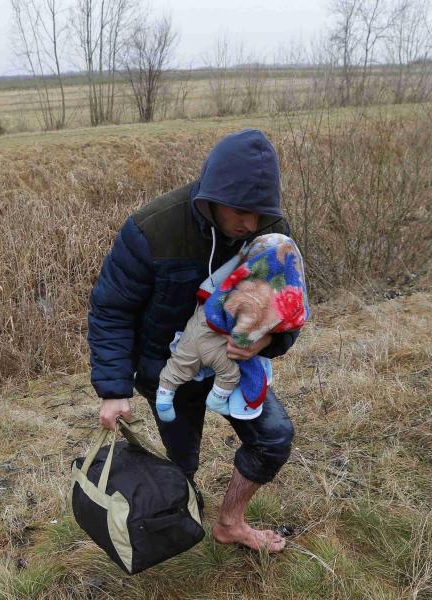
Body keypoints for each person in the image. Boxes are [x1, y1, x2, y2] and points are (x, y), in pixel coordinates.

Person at [88, 129, 299, 552]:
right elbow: (111, 308)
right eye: (241, 211)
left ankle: (230, 524)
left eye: (260, 213)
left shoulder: (271, 233)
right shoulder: (153, 229)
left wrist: (267, 343)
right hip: (168, 369)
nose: (251, 225)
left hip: (233, 366)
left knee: (274, 438)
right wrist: (114, 390)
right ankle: (179, 518)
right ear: (211, 196)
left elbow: (286, 307)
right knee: (183, 463)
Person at [156, 233, 309, 423]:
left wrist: (269, 341)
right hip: (204, 345)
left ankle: (164, 398)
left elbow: (285, 327)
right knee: (230, 374)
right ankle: (216, 400)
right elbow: (243, 339)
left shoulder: (266, 236)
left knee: (177, 367)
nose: (248, 224)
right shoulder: (256, 294)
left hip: (193, 333)